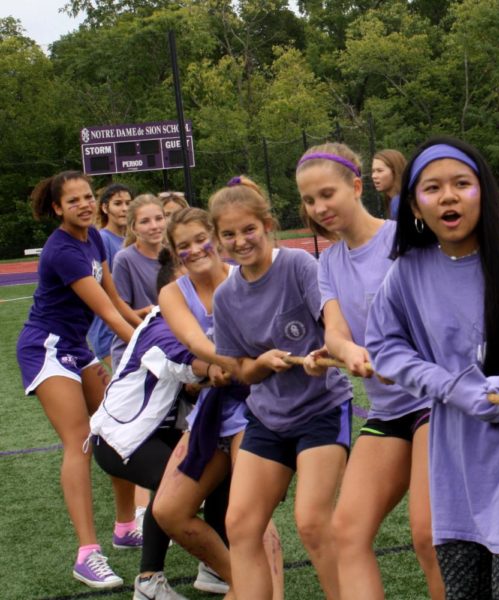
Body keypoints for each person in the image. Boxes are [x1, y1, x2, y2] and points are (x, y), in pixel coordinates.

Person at [365, 137, 499, 600]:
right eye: (432, 188)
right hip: (453, 460)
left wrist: (498, 390)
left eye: (462, 183)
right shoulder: (407, 271)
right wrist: (448, 385)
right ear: (414, 205)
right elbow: (384, 344)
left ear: (484, 194)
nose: (449, 196)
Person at [296, 143, 444, 599]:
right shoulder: (329, 263)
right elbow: (335, 333)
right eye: (308, 200)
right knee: (347, 532)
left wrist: (397, 357)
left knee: (428, 535)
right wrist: (350, 351)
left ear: (356, 187)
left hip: (433, 403)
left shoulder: (406, 238)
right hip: (386, 413)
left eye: (327, 194)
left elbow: (443, 317)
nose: (319, 208)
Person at [209, 176, 353, 599]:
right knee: (240, 525)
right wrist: (262, 364)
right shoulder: (226, 296)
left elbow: (335, 329)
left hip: (320, 411)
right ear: (219, 240)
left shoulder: (299, 266)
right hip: (268, 419)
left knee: (311, 521)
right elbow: (241, 371)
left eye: (248, 229)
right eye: (229, 234)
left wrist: (322, 353)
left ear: (267, 225)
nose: (241, 241)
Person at [16, 171, 143, 589]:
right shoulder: (63, 250)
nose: (85, 204)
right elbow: (106, 313)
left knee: (115, 430)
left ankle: (125, 527)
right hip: (47, 349)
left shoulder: (92, 240)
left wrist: (147, 320)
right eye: (74, 201)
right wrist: (151, 351)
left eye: (89, 197)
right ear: (58, 208)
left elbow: (117, 301)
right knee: (81, 441)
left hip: (78, 347)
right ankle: (87, 555)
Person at [153, 206, 283, 598]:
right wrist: (223, 366)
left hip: (255, 408)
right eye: (184, 246)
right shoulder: (172, 293)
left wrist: (244, 368)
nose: (194, 250)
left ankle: (269, 594)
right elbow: (194, 343)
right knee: (168, 511)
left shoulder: (243, 278)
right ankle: (244, 583)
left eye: (200, 239)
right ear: (175, 254)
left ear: (215, 236)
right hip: (212, 411)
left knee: (251, 514)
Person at [90, 248, 210, 600]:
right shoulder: (161, 326)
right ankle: (150, 580)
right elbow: (189, 364)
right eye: (186, 286)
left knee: (219, 472)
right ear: (167, 295)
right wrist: (234, 364)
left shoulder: (199, 321)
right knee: (175, 488)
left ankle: (212, 570)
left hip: (160, 435)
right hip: (121, 439)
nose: (199, 291)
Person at [109, 195, 167, 370]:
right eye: (145, 221)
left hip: (168, 347)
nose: (154, 226)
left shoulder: (174, 256)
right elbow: (118, 312)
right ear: (133, 227)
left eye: (159, 218)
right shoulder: (124, 259)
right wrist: (147, 312)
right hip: (134, 352)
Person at [87, 183, 133, 369]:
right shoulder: (102, 239)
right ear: (105, 208)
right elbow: (101, 286)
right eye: (118, 203)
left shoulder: (129, 240)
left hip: (128, 321)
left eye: (129, 203)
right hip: (109, 329)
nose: (124, 209)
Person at [371, 149, 406, 220]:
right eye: (373, 171)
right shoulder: (397, 200)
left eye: (380, 171)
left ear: (395, 172)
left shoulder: (398, 203)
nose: (374, 176)